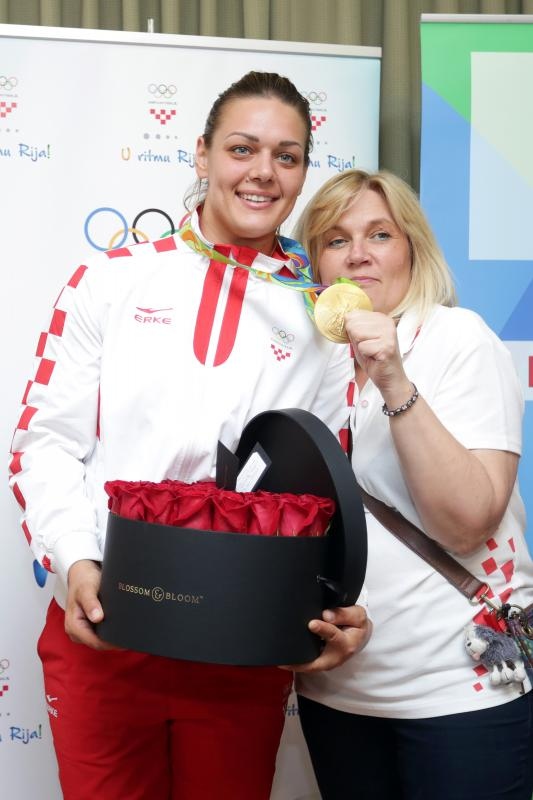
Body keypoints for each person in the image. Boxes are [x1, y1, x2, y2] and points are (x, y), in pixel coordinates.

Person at [8, 73, 370, 800]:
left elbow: (331, 488)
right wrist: (76, 561)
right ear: (201, 154)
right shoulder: (110, 280)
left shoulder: (322, 316)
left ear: (303, 172)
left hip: (241, 638)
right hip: (108, 623)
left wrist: (332, 600)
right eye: (242, 149)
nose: (263, 171)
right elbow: (45, 443)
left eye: (286, 156)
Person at [294, 168, 533, 800]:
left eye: (380, 234)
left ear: (412, 250)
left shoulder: (459, 340)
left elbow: (468, 523)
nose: (359, 254)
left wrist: (393, 378)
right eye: (337, 239)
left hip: (460, 689)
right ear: (315, 261)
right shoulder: (304, 362)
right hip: (336, 689)